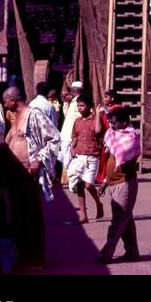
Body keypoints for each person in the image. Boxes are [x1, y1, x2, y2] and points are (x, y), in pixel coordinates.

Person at [97, 106, 141, 263]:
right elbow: (109, 159)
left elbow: (122, 155)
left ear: (124, 122)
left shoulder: (132, 137)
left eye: (114, 123)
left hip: (125, 185)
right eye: (110, 122)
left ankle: (106, 252)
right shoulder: (112, 135)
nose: (111, 126)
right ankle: (132, 252)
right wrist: (104, 182)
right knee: (126, 220)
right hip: (113, 184)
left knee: (118, 221)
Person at [3, 85, 60, 202]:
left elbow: (55, 138)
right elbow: (7, 141)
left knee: (30, 210)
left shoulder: (34, 114)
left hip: (27, 171)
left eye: (5, 102)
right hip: (14, 170)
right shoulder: (16, 116)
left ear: (13, 101)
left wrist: (38, 160)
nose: (4, 105)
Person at [66, 94, 105, 224]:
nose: (80, 108)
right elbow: (74, 137)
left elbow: (98, 131)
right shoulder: (77, 121)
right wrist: (72, 147)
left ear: (89, 106)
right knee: (79, 185)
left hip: (92, 156)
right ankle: (83, 215)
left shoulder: (95, 120)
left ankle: (98, 203)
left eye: (82, 105)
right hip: (79, 156)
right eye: (78, 106)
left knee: (89, 184)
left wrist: (98, 115)